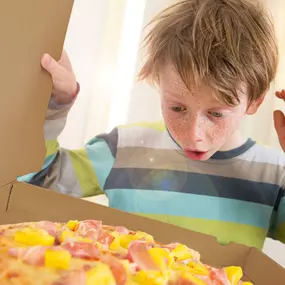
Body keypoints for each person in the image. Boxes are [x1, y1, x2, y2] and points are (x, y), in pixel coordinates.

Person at [24, 0, 285, 250]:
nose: (194, 135)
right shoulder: (122, 150)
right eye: (178, 108)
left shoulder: (273, 174)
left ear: (254, 101)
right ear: (157, 82)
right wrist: (56, 105)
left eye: (216, 114)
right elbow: (36, 182)